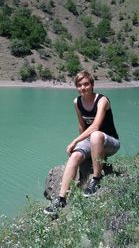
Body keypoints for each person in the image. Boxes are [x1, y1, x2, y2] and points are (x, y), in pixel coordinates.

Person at [44, 70, 120, 215]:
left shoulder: (102, 100)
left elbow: (95, 126)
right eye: (79, 85)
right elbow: (82, 125)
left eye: (86, 84)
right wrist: (81, 147)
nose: (83, 88)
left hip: (110, 142)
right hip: (91, 140)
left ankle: (96, 179)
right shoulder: (77, 102)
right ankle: (61, 199)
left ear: (92, 85)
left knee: (96, 135)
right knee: (75, 156)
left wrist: (75, 141)